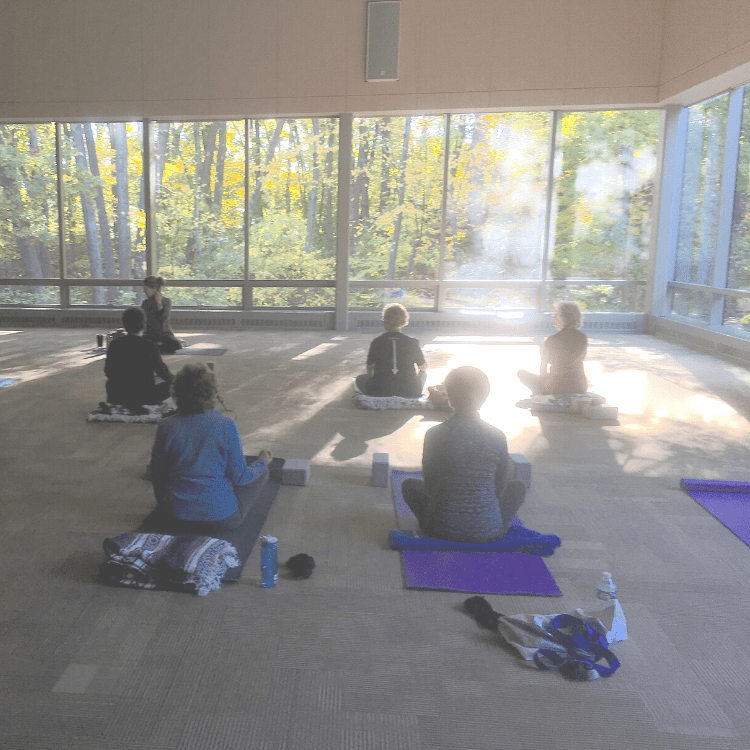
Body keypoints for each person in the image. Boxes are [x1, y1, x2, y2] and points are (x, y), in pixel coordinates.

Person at [401, 366, 526, 543]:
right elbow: (500, 485)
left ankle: (445, 521)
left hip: (438, 529)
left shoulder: (434, 434)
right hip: (489, 531)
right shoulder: (497, 436)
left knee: (409, 486)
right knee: (517, 488)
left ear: (449, 398)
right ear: (484, 398)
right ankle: (485, 522)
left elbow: (430, 484)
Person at [149, 363, 272, 533]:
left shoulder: (166, 426)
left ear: (176, 392)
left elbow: (157, 475)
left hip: (174, 517)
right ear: (212, 393)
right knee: (262, 472)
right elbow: (240, 477)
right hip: (221, 519)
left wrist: (166, 507)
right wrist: (263, 462)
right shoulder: (227, 425)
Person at [104, 307, 173, 410]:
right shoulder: (151, 345)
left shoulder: (115, 344)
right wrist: (178, 381)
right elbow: (163, 372)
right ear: (143, 324)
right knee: (170, 385)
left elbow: (108, 372)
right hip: (146, 397)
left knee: (110, 382)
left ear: (124, 324)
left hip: (118, 396)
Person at [355, 303, 427, 398]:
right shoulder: (412, 342)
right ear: (404, 321)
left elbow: (369, 369)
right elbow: (422, 367)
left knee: (360, 379)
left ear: (385, 321)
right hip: (411, 391)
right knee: (423, 374)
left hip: (380, 391)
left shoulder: (377, 342)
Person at [517, 300, 588, 395]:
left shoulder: (551, 340)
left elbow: (543, 369)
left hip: (556, 387)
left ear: (563, 317)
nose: (553, 316)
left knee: (521, 373)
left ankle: (539, 395)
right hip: (580, 387)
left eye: (556, 313)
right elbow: (580, 359)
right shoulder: (582, 338)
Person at [142, 275, 182, 353]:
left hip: (164, 334)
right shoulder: (145, 303)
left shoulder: (166, 301)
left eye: (146, 289)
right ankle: (157, 346)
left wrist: (159, 304)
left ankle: (156, 346)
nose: (145, 291)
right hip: (150, 334)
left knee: (176, 345)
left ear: (154, 289)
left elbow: (163, 318)